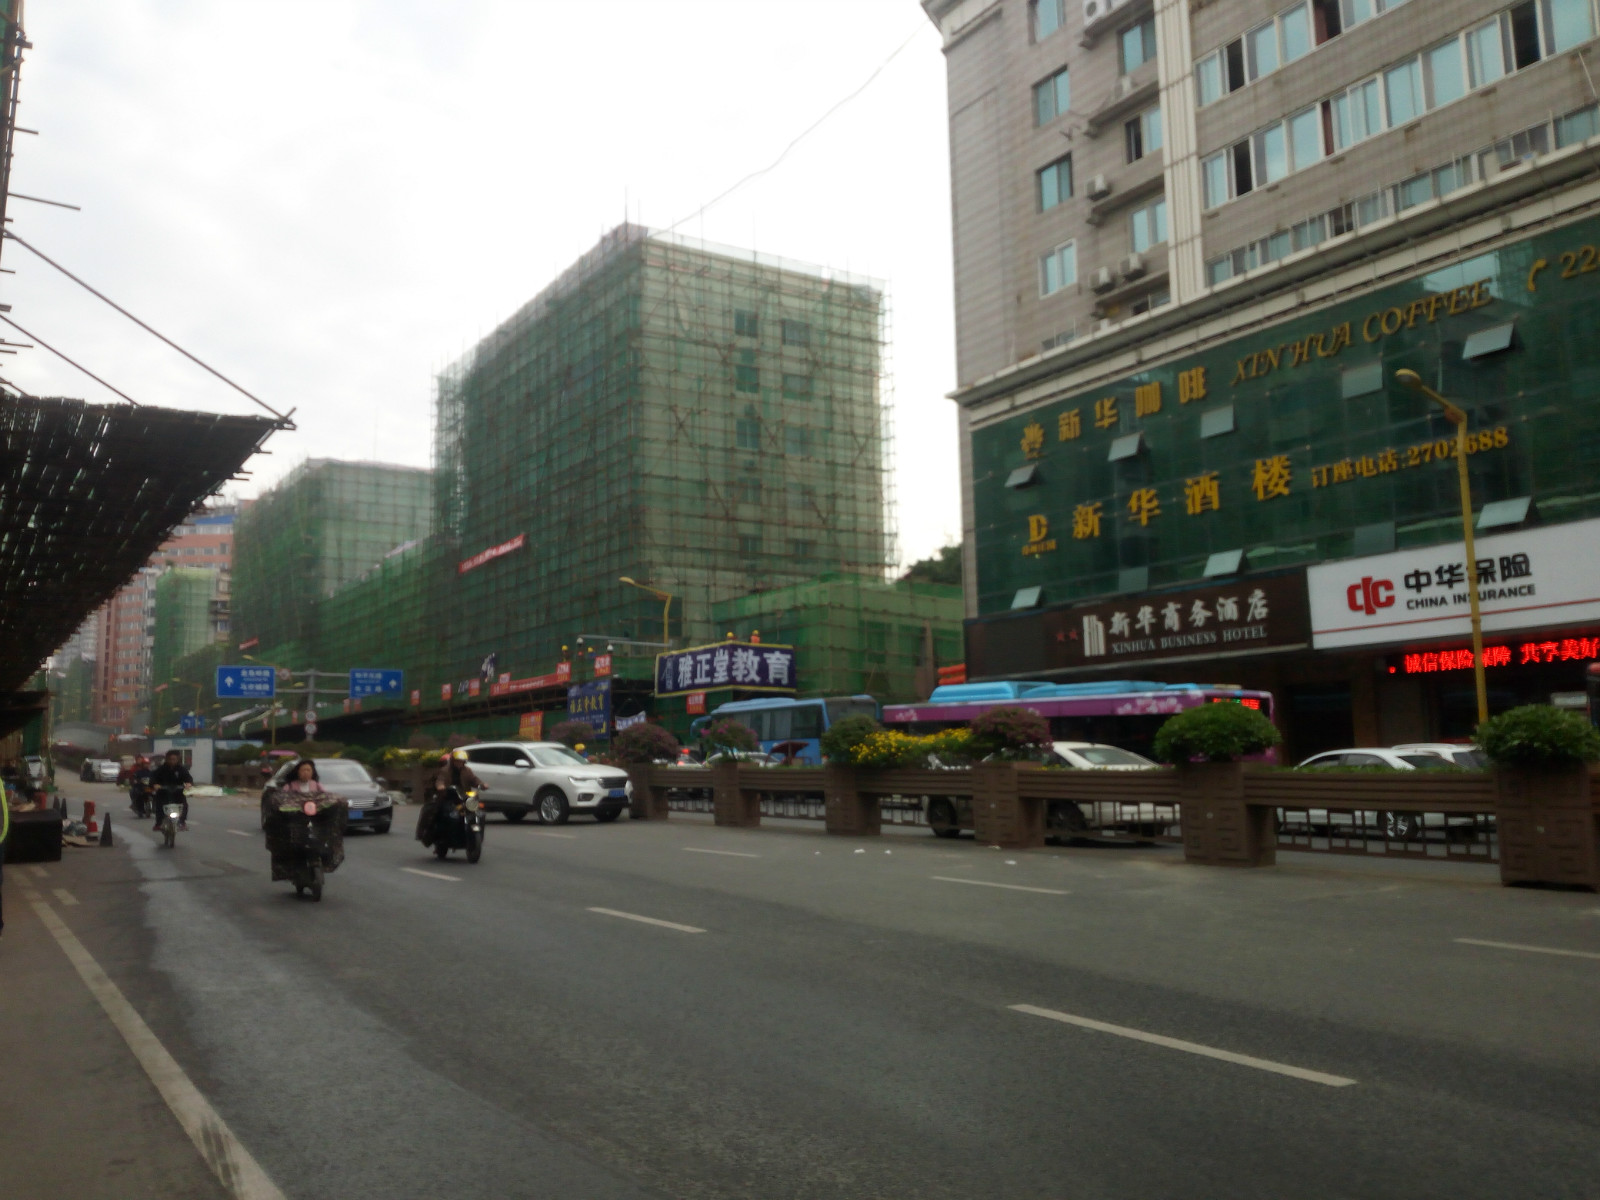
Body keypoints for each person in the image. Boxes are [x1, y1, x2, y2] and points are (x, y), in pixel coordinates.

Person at [417, 750, 482, 845]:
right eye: (457, 761)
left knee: (478, 812)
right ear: (453, 761)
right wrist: (440, 786)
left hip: (464, 796)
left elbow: (474, 779)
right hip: (448, 797)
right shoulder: (445, 770)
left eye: (462, 761)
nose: (459, 763)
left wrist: (481, 784)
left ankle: (471, 831)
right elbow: (440, 780)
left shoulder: (467, 770)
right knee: (435, 811)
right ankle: (428, 834)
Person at [149, 750, 194, 830]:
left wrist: (188, 783)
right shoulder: (161, 769)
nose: (172, 761)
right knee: (159, 805)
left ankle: (182, 822)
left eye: (174, 759)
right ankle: (158, 823)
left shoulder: (181, 769)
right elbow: (153, 778)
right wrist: (155, 784)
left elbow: (188, 778)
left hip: (178, 792)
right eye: (170, 759)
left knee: (184, 805)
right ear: (167, 759)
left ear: (178, 759)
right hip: (163, 792)